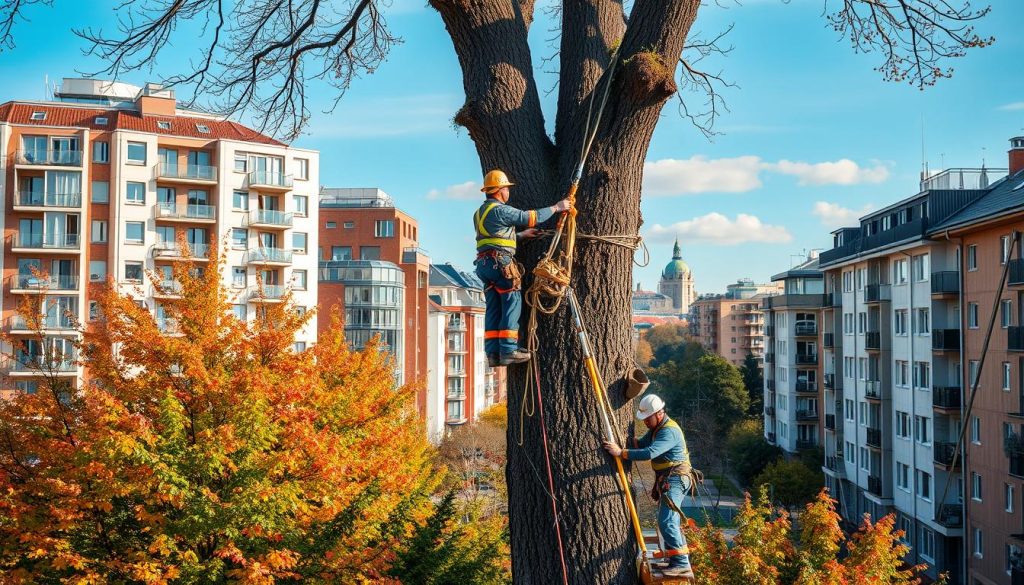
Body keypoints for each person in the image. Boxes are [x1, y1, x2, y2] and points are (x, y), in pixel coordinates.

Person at [473, 169, 571, 367]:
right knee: (512, 300)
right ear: (500, 190)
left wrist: (521, 236)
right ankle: (509, 350)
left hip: (485, 265)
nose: (509, 192)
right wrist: (557, 207)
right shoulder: (501, 210)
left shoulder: (479, 213)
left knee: (494, 307)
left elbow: (494, 239)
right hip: (500, 263)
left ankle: (493, 353)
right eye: (507, 189)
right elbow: (530, 217)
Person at [603, 394, 694, 579]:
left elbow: (649, 452)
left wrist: (621, 452)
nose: (645, 422)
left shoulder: (668, 431)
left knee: (666, 521)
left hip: (676, 478)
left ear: (659, 414)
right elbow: (642, 444)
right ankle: (674, 560)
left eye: (647, 418)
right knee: (669, 521)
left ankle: (681, 564)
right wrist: (628, 441)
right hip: (670, 478)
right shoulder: (657, 429)